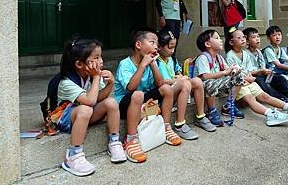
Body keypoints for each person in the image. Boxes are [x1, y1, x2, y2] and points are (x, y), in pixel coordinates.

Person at [57, 38, 126, 176]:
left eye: (101, 56)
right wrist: (96, 78)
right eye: (96, 57)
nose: (101, 61)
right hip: (64, 119)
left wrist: (110, 84)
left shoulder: (92, 76)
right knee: (86, 108)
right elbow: (90, 101)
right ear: (79, 64)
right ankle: (73, 155)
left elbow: (99, 98)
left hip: (84, 114)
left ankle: (114, 142)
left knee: (111, 102)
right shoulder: (66, 82)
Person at [114, 29, 182, 163]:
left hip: (145, 102)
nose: (156, 46)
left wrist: (152, 65)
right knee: (138, 94)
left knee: (166, 89)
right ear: (138, 45)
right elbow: (131, 88)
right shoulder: (125, 64)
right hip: (126, 105)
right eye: (152, 42)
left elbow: (160, 83)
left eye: (156, 44)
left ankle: (165, 127)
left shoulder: (151, 62)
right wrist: (143, 65)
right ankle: (131, 139)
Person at [225, 30, 288, 125]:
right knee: (251, 99)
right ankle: (270, 115)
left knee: (265, 96)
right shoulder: (230, 56)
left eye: (243, 37)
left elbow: (249, 70)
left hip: (249, 81)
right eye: (239, 38)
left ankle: (287, 106)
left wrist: (250, 77)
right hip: (239, 84)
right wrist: (248, 78)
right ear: (231, 42)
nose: (243, 39)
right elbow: (232, 73)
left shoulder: (245, 54)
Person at [156, 29, 217, 139]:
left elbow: (177, 70)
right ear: (159, 47)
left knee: (197, 82)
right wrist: (177, 80)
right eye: (169, 47)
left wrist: (180, 75)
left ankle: (200, 116)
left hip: (176, 89)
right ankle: (180, 124)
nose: (172, 50)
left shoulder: (172, 59)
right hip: (165, 96)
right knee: (184, 84)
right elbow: (158, 82)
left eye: (174, 47)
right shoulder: (155, 61)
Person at [193, 29, 247, 127]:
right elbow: (205, 76)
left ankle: (229, 105)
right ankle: (211, 110)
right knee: (210, 82)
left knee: (238, 78)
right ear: (208, 44)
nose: (221, 40)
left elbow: (228, 72)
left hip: (216, 85)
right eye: (217, 38)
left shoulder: (219, 58)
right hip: (201, 88)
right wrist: (225, 72)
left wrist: (234, 69)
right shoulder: (203, 58)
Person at [242, 27, 288, 104]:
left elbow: (263, 66)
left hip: (264, 74)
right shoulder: (246, 53)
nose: (257, 39)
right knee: (261, 83)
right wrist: (261, 71)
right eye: (253, 37)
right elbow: (248, 70)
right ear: (247, 41)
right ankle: (281, 98)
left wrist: (265, 71)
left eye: (258, 36)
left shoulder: (259, 52)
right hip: (254, 76)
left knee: (279, 79)